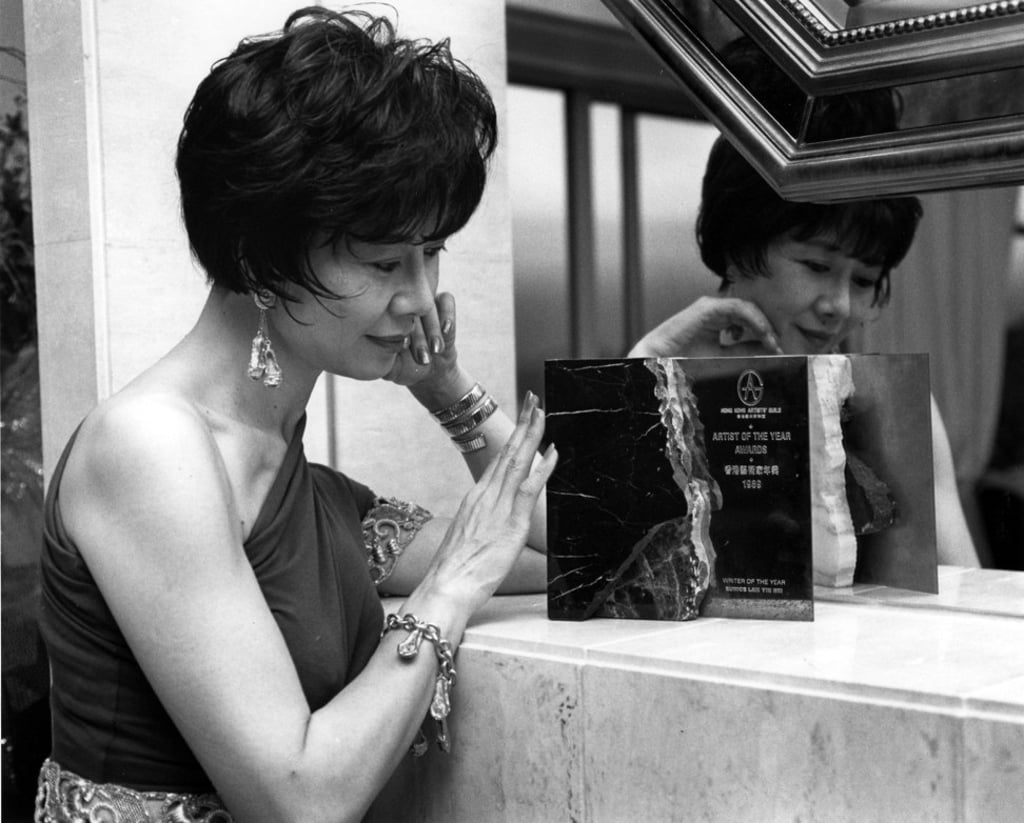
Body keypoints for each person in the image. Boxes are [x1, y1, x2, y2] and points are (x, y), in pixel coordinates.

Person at [36, 9, 556, 822]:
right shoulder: (151, 447)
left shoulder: (300, 480)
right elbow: (299, 799)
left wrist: (446, 389)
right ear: (258, 259)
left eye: (432, 256)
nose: (419, 298)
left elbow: (566, 552)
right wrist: (448, 590)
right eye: (386, 261)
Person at [628, 134, 979, 568]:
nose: (840, 306)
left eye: (864, 280)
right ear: (740, 246)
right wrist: (644, 359)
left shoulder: (889, 401)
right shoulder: (658, 378)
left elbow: (964, 579)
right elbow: (574, 550)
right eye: (817, 267)